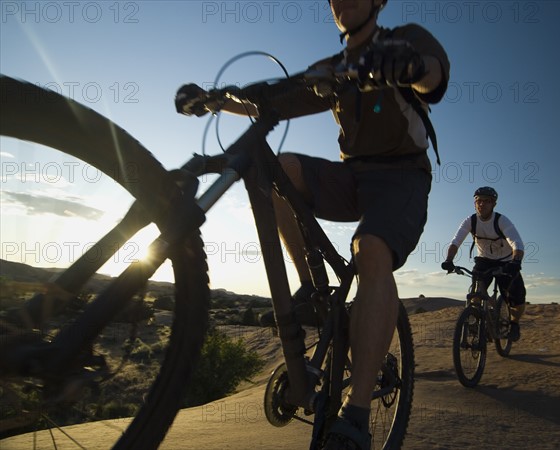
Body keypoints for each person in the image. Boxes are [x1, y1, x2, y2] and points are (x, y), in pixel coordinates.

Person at [176, 0, 449, 448]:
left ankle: (356, 415)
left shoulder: (406, 39)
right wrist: (215, 101)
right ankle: (311, 289)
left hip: (401, 176)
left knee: (371, 249)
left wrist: (408, 64)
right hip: (353, 175)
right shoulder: (333, 67)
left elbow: (433, 75)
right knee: (279, 168)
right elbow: (276, 99)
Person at [441, 186, 526, 342]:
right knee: (476, 293)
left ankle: (514, 324)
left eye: (486, 201)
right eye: (478, 201)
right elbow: (456, 242)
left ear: (493, 204)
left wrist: (516, 261)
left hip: (506, 261)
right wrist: (449, 260)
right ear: (474, 203)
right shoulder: (470, 221)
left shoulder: (501, 220)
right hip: (484, 260)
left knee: (517, 298)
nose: (482, 204)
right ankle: (476, 322)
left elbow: (517, 243)